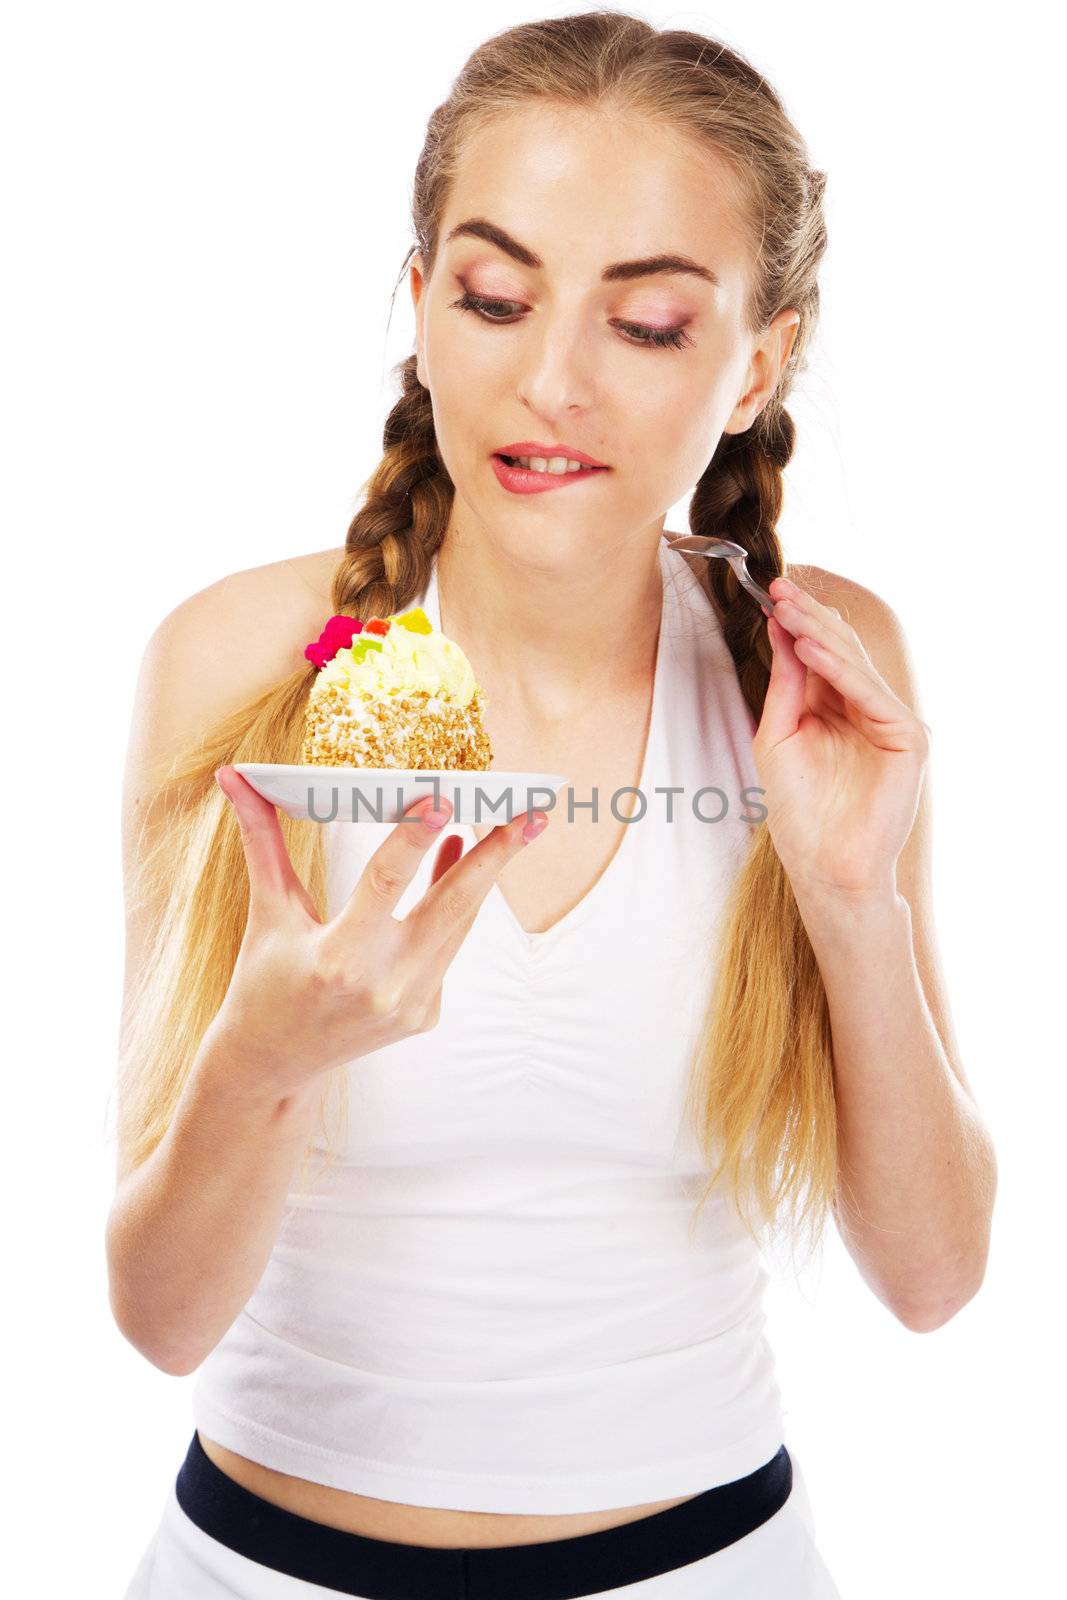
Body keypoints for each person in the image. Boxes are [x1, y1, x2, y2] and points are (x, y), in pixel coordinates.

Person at [110, 11, 997, 1597]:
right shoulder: (244, 664)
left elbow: (933, 1280)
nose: (552, 379)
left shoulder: (816, 672)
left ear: (758, 363)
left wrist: (852, 901)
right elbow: (159, 1313)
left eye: (648, 322)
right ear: (419, 307)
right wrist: (265, 1061)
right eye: (497, 298)